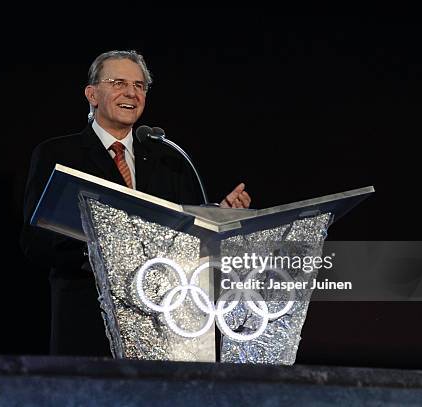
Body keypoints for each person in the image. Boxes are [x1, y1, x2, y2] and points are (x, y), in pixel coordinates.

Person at [21, 50, 251, 357]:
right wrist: (109, 254)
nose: (131, 92)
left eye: (139, 86)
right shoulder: (60, 154)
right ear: (92, 94)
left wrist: (219, 215)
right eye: (118, 83)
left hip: (161, 322)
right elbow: (36, 241)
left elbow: (188, 234)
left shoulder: (167, 159)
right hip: (88, 321)